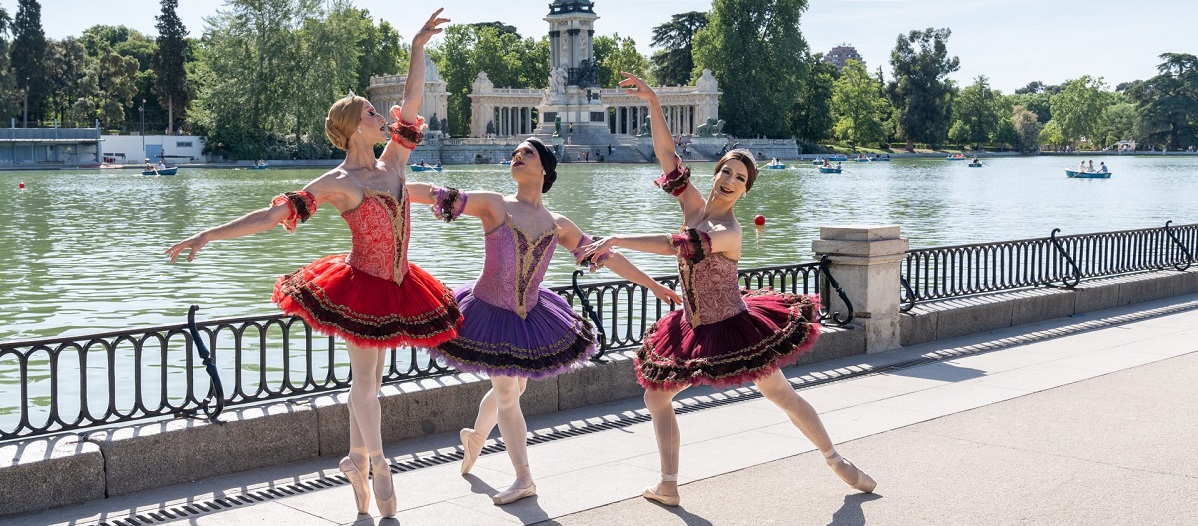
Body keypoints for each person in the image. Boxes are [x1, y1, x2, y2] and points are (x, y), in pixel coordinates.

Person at [164, 10, 455, 519]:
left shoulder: (394, 163)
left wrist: (416, 47)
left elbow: (411, 101)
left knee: (369, 382)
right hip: (361, 285)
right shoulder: (340, 180)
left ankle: (354, 460)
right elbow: (272, 214)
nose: (378, 113)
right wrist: (209, 233)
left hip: (401, 282)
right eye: (369, 111)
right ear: (352, 125)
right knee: (367, 384)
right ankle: (381, 465)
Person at [577, 73, 876, 508]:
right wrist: (654, 102)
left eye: (739, 177)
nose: (730, 180)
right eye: (726, 171)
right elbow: (666, 154)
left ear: (745, 189)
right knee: (655, 394)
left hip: (733, 324)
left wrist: (618, 239)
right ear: (715, 174)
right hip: (691, 324)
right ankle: (668, 484)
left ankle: (836, 459)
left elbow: (671, 246)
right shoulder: (693, 207)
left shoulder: (730, 231)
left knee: (779, 393)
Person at [408, 137, 681, 505]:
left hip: (530, 316)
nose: (517, 157)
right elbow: (436, 193)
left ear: (545, 169)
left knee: (514, 390)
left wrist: (652, 285)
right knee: (508, 391)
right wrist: (384, 185)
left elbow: (607, 256)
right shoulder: (495, 205)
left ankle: (475, 437)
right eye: (515, 153)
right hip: (487, 311)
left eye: (528, 153)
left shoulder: (557, 224)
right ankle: (523, 478)